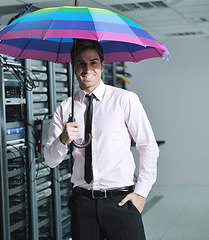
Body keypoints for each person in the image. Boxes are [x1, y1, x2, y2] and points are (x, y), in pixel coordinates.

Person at [44, 39, 159, 240]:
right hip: (83, 203)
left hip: (120, 201)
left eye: (93, 62)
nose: (87, 69)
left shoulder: (124, 99)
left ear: (102, 65)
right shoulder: (65, 108)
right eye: (81, 63)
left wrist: (141, 194)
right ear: (73, 66)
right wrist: (62, 139)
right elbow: (50, 160)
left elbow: (148, 146)